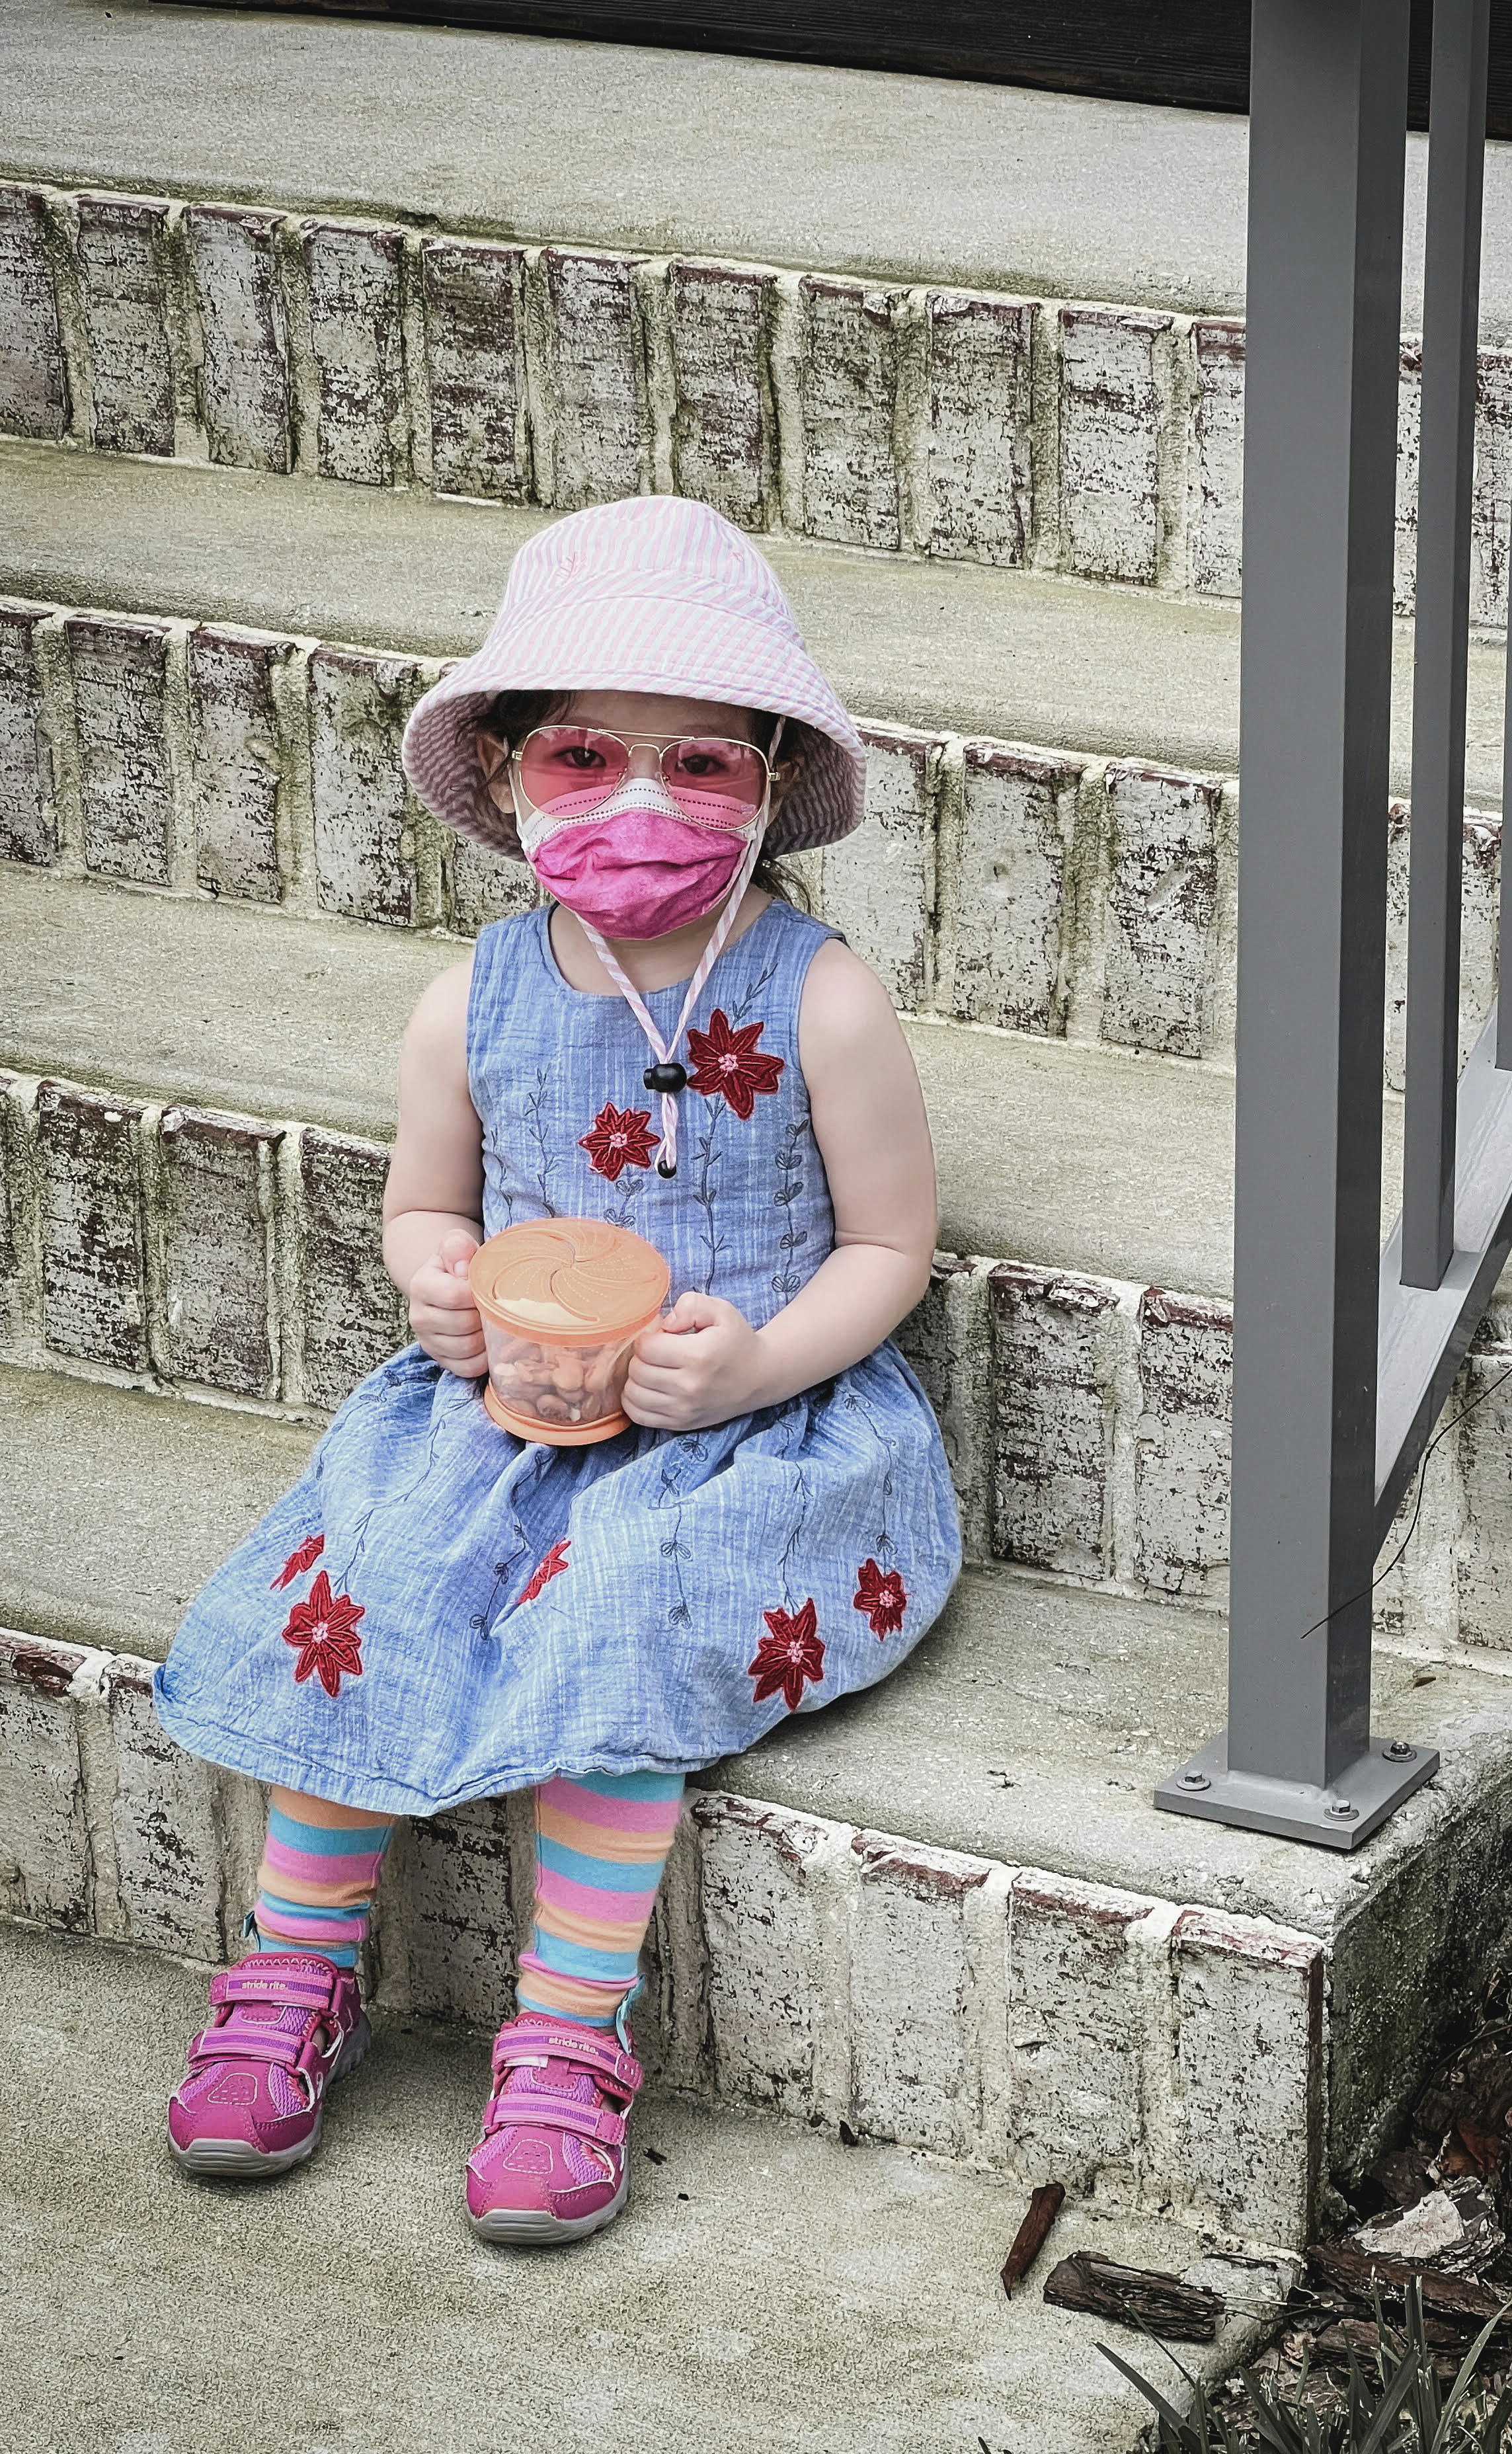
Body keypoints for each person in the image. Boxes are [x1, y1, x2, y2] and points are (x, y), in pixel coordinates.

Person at [152, 496, 962, 2246]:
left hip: (747, 1424)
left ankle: (566, 2040)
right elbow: (426, 1207)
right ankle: (293, 1974)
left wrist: (754, 1368)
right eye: (584, 756)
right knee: (373, 1579)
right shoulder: (475, 998)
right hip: (508, 1413)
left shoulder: (821, 999)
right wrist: (438, 1288)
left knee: (620, 1611)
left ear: (766, 784)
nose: (640, 802)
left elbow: (891, 1249)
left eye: (700, 763)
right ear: (511, 774)